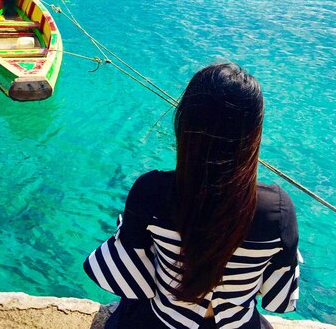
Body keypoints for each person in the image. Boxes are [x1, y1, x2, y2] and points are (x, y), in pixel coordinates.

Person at [84, 63, 300, 329]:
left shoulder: (151, 191)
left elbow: (131, 279)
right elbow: (279, 298)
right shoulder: (278, 210)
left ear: (184, 123)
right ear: (253, 132)